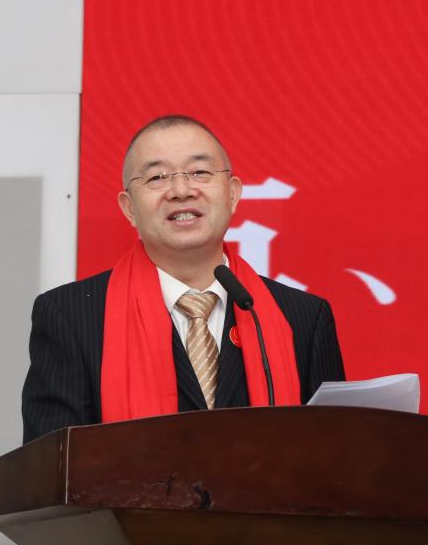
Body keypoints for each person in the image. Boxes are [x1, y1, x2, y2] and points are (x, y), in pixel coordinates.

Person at [21, 115, 345, 442]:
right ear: (129, 208)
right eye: (157, 177)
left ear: (233, 194)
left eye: (200, 172)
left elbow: (335, 453)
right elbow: (53, 464)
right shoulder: (71, 317)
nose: (181, 191)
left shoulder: (302, 318)